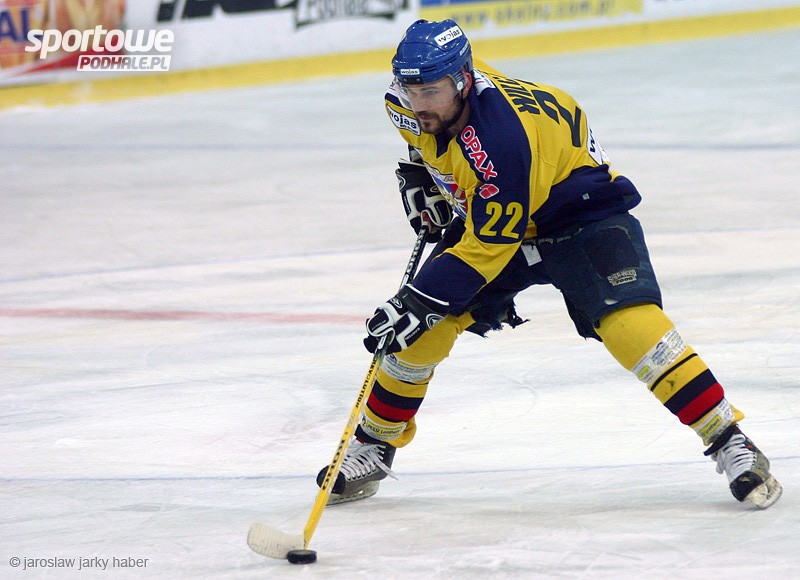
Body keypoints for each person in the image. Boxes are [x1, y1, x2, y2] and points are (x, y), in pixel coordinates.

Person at [317, 19, 782, 509]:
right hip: (499, 210)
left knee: (631, 325)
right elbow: (428, 144)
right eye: (411, 90)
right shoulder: (407, 103)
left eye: (431, 91)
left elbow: (489, 246)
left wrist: (417, 300)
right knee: (421, 333)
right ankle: (374, 445)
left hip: (579, 212)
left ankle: (729, 439)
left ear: (463, 80)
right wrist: (420, 173)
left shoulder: (500, 141)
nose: (419, 103)